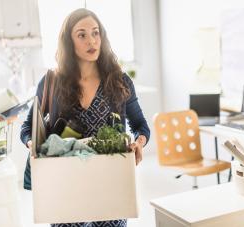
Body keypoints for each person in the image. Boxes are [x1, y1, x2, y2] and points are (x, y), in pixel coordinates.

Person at [20, 8, 150, 227]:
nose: (92, 41)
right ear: (69, 42)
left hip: (111, 181)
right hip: (66, 183)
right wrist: (32, 143)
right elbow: (26, 128)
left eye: (95, 33)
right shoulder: (52, 82)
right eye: (82, 35)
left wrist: (139, 143)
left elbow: (140, 126)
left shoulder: (120, 81)